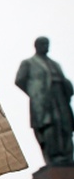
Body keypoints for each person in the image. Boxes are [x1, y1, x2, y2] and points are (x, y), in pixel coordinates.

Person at [15, 36, 74, 166]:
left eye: (47, 44)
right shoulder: (29, 63)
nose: (46, 46)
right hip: (43, 101)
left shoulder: (55, 64)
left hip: (60, 97)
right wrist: (36, 93)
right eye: (43, 44)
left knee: (65, 125)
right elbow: (20, 80)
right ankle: (55, 156)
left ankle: (67, 156)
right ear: (36, 46)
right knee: (50, 126)